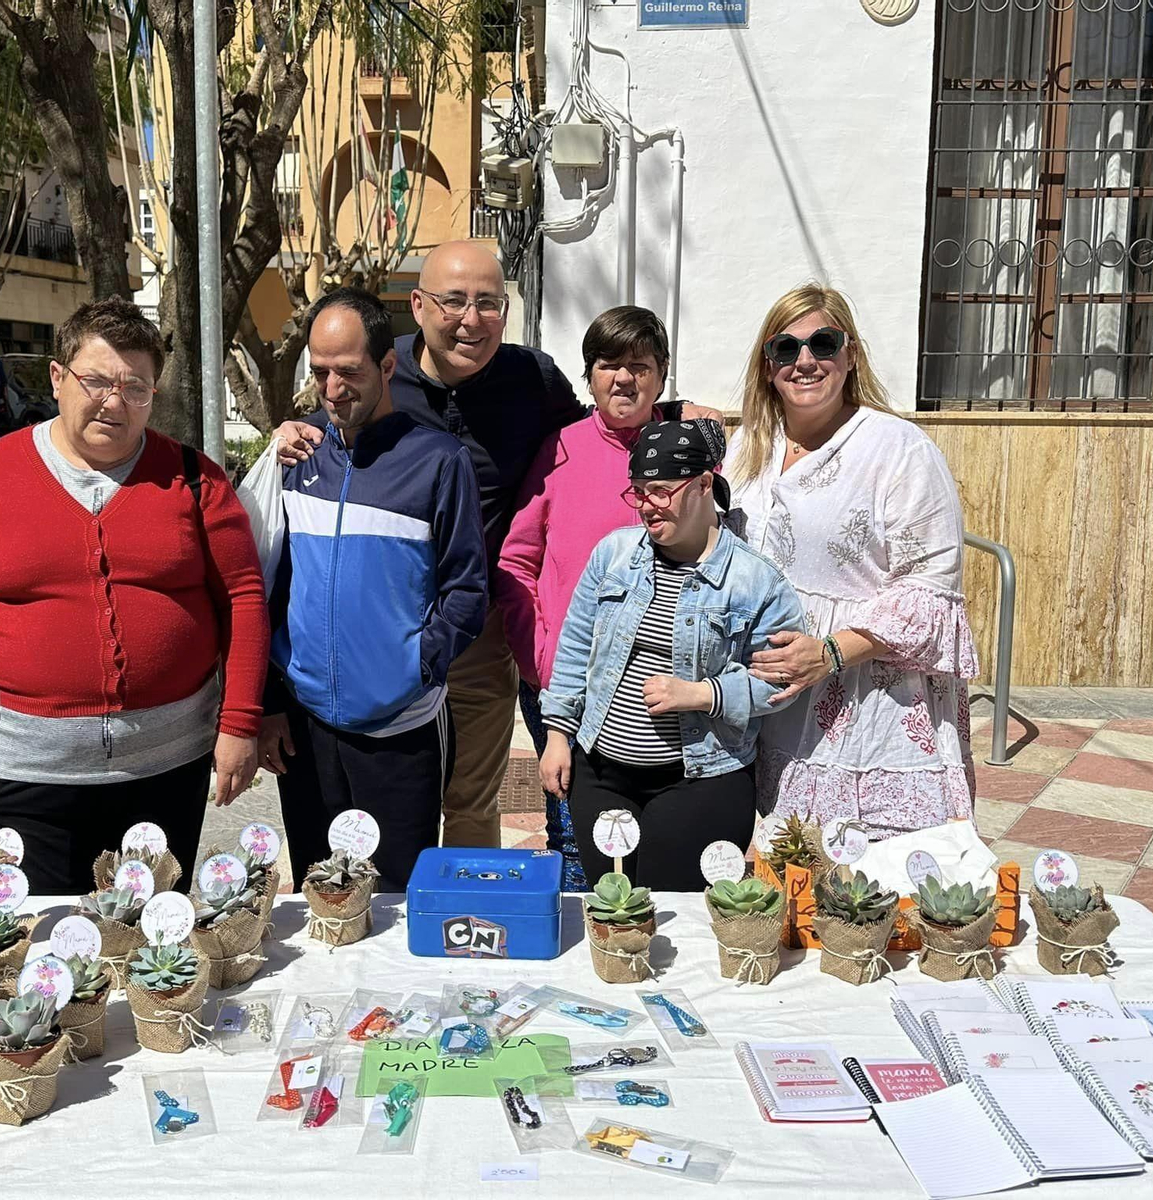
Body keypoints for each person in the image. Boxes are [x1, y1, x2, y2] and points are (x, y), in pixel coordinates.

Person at [0, 298, 269, 892]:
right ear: (57, 377)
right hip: (29, 772)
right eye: (95, 381)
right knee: (42, 950)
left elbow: (245, 599)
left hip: (168, 766)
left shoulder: (195, 479)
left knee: (153, 949)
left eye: (136, 388)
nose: (114, 402)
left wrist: (240, 724)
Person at [273, 242, 580, 851]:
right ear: (418, 306)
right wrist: (285, 430)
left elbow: (597, 434)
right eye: (453, 301)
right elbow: (327, 423)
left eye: (489, 303)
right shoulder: (375, 367)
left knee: (469, 799)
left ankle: (458, 929)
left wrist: (673, 412)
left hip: (477, 625)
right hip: (377, 634)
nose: (471, 320)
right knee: (379, 813)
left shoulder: (533, 379)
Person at [725, 284, 979, 836]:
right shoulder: (746, 449)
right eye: (785, 349)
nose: (805, 361)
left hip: (872, 705)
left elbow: (930, 591)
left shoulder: (898, 449)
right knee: (788, 875)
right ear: (767, 365)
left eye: (823, 342)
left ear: (850, 354)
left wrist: (833, 653)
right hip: (772, 704)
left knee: (877, 889)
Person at [258, 289, 486, 891]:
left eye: (350, 372)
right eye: (320, 373)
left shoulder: (438, 460)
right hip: (306, 727)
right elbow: (263, 581)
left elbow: (466, 589)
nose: (333, 390)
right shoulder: (296, 454)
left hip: (400, 728)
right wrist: (271, 700)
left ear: (388, 366)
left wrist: (412, 666)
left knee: (394, 900)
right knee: (320, 896)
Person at [538, 419, 805, 891]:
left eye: (660, 490)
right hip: (602, 776)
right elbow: (576, 647)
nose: (646, 506)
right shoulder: (613, 555)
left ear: (704, 483)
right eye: (638, 492)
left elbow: (780, 679)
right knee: (613, 909)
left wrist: (704, 694)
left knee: (675, 922)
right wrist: (558, 735)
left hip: (700, 781)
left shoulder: (756, 582)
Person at [495, 305, 684, 891]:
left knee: (651, 825)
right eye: (608, 366)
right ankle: (585, 949)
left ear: (662, 373)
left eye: (639, 365)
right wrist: (541, 654)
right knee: (573, 831)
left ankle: (637, 940)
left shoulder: (687, 449)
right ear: (590, 375)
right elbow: (516, 560)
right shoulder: (559, 450)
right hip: (565, 682)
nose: (623, 379)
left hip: (658, 681)